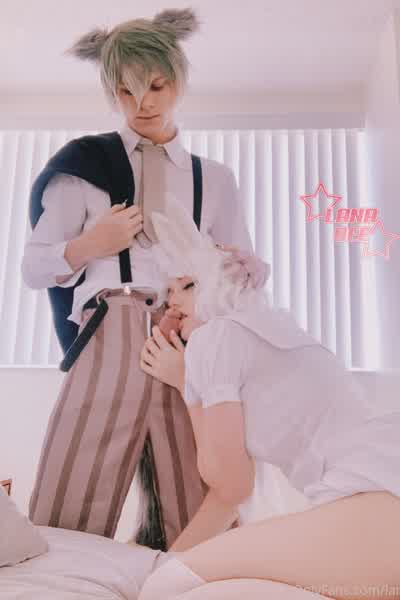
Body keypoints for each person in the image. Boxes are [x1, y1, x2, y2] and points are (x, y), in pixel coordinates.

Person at [21, 7, 269, 550]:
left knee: (198, 477)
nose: (143, 104)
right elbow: (34, 268)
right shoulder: (81, 167)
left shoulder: (215, 179)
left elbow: (244, 269)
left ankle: (204, 577)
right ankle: (61, 582)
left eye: (156, 86)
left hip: (191, 334)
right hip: (115, 319)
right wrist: (92, 244)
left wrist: (245, 268)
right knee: (80, 475)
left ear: (177, 77)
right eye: (126, 91)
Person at [137, 195, 400, 599]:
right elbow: (230, 497)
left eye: (188, 285)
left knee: (163, 585)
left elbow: (231, 486)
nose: (174, 300)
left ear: (218, 283)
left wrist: (186, 384)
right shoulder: (281, 333)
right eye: (168, 290)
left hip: (385, 490)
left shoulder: (214, 337)